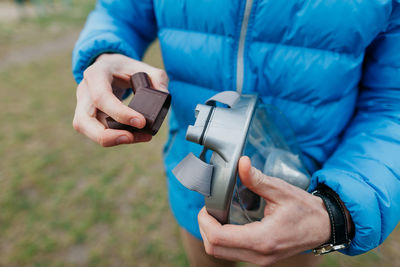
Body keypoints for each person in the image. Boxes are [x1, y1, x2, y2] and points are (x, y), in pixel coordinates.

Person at [72, 1, 400, 266]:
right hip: (198, 194)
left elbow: (393, 101)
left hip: (298, 203)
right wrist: (104, 54)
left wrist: (335, 210)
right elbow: (119, 12)